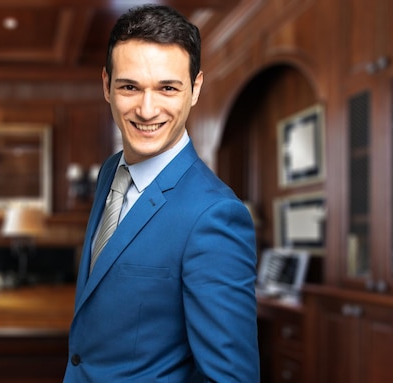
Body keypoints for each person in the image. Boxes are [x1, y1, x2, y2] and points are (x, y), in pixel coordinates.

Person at [63, 4, 259, 382]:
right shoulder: (111, 171)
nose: (147, 110)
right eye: (130, 87)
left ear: (195, 88)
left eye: (167, 88)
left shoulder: (215, 215)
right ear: (106, 86)